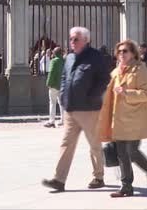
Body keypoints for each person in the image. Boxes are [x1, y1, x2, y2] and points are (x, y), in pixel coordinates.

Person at [42, 27, 110, 193]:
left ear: (86, 40)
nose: (72, 42)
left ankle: (99, 176)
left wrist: (92, 97)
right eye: (71, 39)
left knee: (94, 144)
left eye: (76, 39)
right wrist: (65, 97)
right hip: (71, 109)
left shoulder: (96, 57)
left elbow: (103, 80)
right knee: (66, 144)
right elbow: (65, 78)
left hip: (90, 110)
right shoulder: (70, 57)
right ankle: (59, 180)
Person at [97, 39, 147, 198]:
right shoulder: (116, 71)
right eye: (119, 51)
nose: (122, 54)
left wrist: (126, 93)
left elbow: (146, 94)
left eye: (125, 51)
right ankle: (126, 186)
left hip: (135, 119)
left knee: (131, 151)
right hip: (118, 119)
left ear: (133, 53)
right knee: (121, 154)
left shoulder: (140, 69)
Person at [45, 47, 65, 128]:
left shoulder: (54, 61)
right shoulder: (64, 61)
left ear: (54, 53)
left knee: (52, 103)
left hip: (54, 85)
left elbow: (51, 73)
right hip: (62, 85)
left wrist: (48, 83)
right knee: (61, 103)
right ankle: (63, 120)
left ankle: (52, 121)